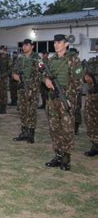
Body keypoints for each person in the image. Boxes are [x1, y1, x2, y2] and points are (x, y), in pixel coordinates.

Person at [43, 34, 83, 171]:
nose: (56, 44)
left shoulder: (73, 60)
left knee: (66, 129)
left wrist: (68, 98)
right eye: (54, 42)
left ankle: (66, 158)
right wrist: (46, 81)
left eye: (59, 42)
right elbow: (45, 75)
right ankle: (58, 155)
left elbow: (78, 83)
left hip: (66, 99)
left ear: (66, 44)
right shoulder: (52, 60)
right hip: (53, 99)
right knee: (54, 128)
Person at [12, 39, 41, 143]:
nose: (24, 47)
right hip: (21, 88)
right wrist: (16, 76)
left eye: (27, 45)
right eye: (23, 45)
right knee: (23, 110)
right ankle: (24, 132)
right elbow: (14, 72)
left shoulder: (37, 58)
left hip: (32, 89)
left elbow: (39, 75)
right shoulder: (20, 58)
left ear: (32, 46)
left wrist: (31, 89)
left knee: (31, 111)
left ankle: (31, 135)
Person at [83, 41, 98, 157]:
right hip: (93, 96)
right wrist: (86, 77)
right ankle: (95, 145)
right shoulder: (92, 62)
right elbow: (83, 76)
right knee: (91, 120)